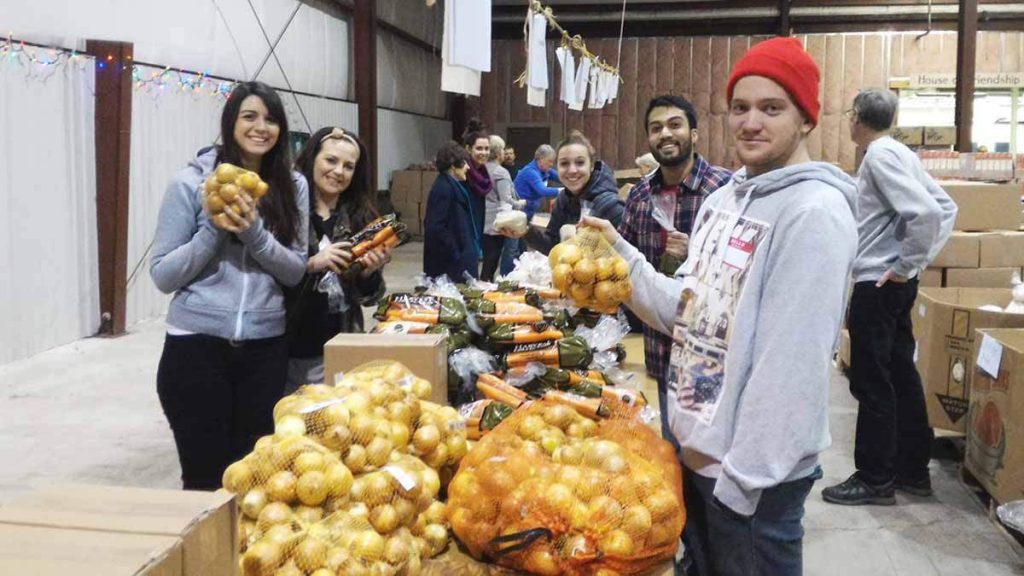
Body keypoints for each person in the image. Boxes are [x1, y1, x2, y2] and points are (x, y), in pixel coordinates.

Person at [582, 37, 858, 575]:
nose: (751, 122)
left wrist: (742, 484)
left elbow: (791, 368)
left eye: (771, 108)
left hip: (752, 483)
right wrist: (620, 253)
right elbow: (680, 309)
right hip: (697, 458)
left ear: (806, 118)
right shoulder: (723, 200)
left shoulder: (813, 214)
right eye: (740, 107)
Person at [150, 81, 309, 490]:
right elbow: (163, 274)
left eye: (271, 119)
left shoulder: (293, 187)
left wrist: (254, 233)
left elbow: (294, 270)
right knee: (203, 478)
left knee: (250, 480)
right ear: (230, 122)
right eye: (250, 116)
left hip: (264, 351)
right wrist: (212, 232)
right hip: (195, 348)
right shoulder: (190, 184)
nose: (261, 127)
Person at [822, 89, 957, 506]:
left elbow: (929, 213)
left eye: (849, 114)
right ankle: (911, 471)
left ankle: (875, 478)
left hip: (876, 286)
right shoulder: (899, 153)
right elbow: (946, 206)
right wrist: (913, 266)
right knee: (900, 375)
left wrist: (903, 265)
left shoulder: (879, 156)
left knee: (871, 381)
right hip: (893, 284)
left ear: (857, 116)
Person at [618, 94, 732, 447]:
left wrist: (691, 258)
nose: (665, 134)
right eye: (656, 128)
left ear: (694, 134)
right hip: (661, 352)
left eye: (674, 125)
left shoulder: (725, 190)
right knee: (673, 451)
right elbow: (625, 268)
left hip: (711, 357)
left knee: (711, 459)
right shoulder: (639, 195)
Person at [285, 127, 391, 392]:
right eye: (330, 160)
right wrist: (312, 263)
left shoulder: (361, 217)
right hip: (287, 342)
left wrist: (369, 274)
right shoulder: (287, 211)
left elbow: (368, 297)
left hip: (339, 340)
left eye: (348, 166)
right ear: (312, 159)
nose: (338, 171)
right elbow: (270, 273)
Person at [537, 130, 623, 254]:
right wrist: (526, 231)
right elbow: (553, 246)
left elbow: (627, 261)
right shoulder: (562, 200)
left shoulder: (611, 206)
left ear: (592, 166)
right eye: (564, 163)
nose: (572, 170)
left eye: (580, 162)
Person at [423, 141, 480, 280]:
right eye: (465, 163)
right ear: (453, 166)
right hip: (451, 265)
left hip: (459, 258)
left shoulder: (452, 185)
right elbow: (436, 227)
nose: (468, 167)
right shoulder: (443, 189)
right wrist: (456, 254)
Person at [481, 134, 526, 281]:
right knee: (497, 257)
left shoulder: (482, 169)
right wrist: (519, 203)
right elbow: (506, 197)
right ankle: (494, 282)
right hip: (498, 221)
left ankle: (485, 282)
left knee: (488, 257)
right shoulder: (500, 172)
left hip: (484, 218)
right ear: (499, 151)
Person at [514, 144, 561, 223]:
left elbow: (561, 178)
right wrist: (563, 191)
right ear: (541, 159)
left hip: (531, 210)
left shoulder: (545, 169)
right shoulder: (530, 171)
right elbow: (543, 191)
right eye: (550, 161)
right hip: (520, 213)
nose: (551, 164)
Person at [462, 118, 492, 243]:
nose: (484, 153)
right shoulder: (462, 175)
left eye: (487, 148)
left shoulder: (483, 175)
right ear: (468, 149)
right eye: (479, 148)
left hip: (477, 233)